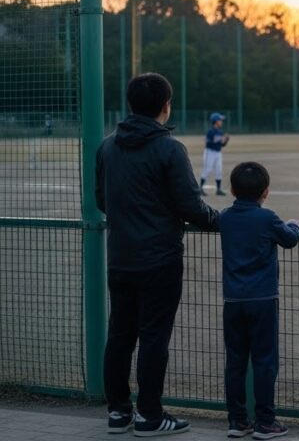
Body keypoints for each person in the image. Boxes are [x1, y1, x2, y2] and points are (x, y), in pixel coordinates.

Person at [96, 73, 219, 437]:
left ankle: (119, 412)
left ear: (130, 104)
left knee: (119, 335)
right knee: (153, 338)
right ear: (166, 106)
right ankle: (150, 416)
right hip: (159, 259)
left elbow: (102, 201)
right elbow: (192, 207)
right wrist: (221, 221)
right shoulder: (169, 148)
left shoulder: (107, 146)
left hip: (119, 257)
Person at [220, 162, 299, 440]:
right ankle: (265, 421)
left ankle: (237, 420)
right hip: (263, 299)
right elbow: (289, 240)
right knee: (265, 360)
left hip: (233, 299)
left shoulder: (226, 217)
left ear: (231, 189)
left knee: (235, 360)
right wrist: (293, 225)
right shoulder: (267, 218)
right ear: (266, 192)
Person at [200, 112, 230, 196]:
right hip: (210, 152)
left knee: (218, 170)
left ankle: (218, 189)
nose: (221, 121)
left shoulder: (220, 131)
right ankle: (200, 188)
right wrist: (218, 139)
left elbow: (222, 144)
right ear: (215, 121)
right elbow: (208, 142)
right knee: (208, 169)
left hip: (218, 153)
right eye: (220, 120)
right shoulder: (210, 131)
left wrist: (226, 140)